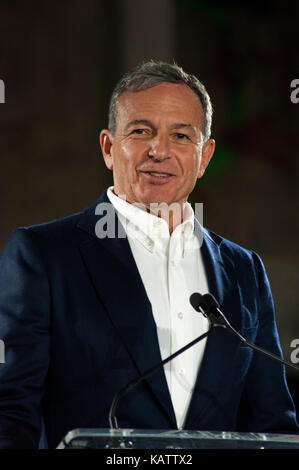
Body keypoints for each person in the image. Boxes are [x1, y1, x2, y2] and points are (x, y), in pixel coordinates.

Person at [0, 61, 298, 449]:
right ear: (109, 148)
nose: (159, 150)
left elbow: (272, 423)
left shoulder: (243, 271)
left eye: (180, 135)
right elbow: (10, 412)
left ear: (205, 156)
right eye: (141, 131)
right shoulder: (43, 256)